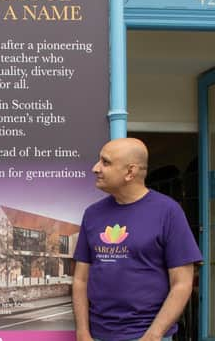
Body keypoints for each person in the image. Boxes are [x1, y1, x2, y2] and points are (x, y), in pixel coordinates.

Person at [72, 138, 201, 341]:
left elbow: (182, 282)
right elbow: (80, 279)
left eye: (105, 162)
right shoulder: (93, 214)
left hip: (147, 335)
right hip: (97, 335)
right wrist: (82, 332)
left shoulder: (168, 212)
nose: (95, 168)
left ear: (130, 172)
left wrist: (153, 335)